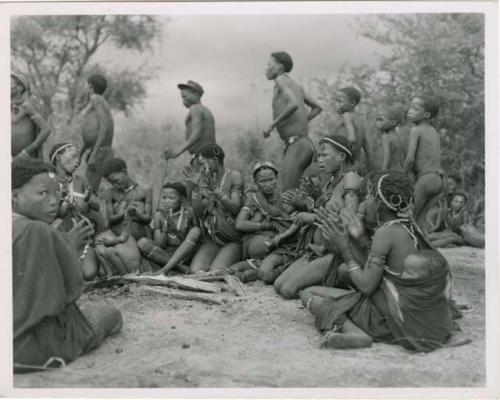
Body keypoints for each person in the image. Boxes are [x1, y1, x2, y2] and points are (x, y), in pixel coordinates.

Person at [301, 172, 462, 352]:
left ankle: (355, 333)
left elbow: (367, 286)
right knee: (343, 274)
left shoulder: (385, 233)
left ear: (380, 203)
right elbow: (385, 269)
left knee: (308, 294)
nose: (365, 200)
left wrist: (343, 248)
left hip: (389, 319)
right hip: (405, 309)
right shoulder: (407, 225)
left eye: (369, 196)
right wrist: (360, 236)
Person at [12, 157, 122, 372]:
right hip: (29, 345)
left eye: (57, 193)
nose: (53, 201)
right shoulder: (36, 230)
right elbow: (69, 291)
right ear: (14, 196)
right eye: (43, 193)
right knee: (110, 313)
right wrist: (70, 247)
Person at [274, 135, 362, 299]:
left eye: (324, 155)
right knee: (279, 286)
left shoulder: (351, 179)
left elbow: (351, 218)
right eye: (318, 156)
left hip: (336, 253)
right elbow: (326, 212)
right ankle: (322, 280)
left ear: (342, 156)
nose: (319, 160)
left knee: (287, 290)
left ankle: (337, 284)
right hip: (316, 250)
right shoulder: (330, 183)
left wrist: (312, 218)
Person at [229, 162, 304, 283]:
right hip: (259, 253)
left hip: (284, 248)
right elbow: (240, 224)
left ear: (277, 179)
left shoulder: (287, 198)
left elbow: (297, 223)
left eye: (271, 180)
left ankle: (282, 268)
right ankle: (258, 266)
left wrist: (302, 205)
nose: (268, 184)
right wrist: (266, 225)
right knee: (230, 270)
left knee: (266, 274)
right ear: (255, 182)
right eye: (263, 181)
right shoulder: (253, 199)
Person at [263, 51, 323, 191]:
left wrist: (271, 125)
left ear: (280, 67)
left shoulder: (280, 80)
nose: (266, 68)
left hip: (296, 145)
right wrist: (301, 121)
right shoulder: (296, 86)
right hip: (305, 144)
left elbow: (293, 103)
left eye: (269, 64)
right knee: (296, 193)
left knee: (287, 195)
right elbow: (317, 108)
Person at [49, 143, 105, 280]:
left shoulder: (81, 180)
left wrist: (87, 200)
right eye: (73, 156)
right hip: (58, 237)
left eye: (79, 159)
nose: (78, 161)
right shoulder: (47, 181)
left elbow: (97, 207)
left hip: (83, 238)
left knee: (89, 273)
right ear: (58, 157)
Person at [187, 144, 244, 272]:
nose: (201, 169)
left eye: (203, 163)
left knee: (215, 273)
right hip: (213, 240)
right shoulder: (205, 180)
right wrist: (195, 190)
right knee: (196, 271)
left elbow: (235, 208)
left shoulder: (234, 176)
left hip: (232, 240)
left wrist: (214, 189)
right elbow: (197, 214)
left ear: (215, 160)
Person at [95, 158, 152, 275]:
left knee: (115, 251)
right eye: (111, 183)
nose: (115, 185)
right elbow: (111, 218)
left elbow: (148, 218)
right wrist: (124, 212)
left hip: (133, 234)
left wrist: (137, 214)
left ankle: (125, 274)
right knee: (98, 243)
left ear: (125, 172)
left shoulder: (144, 191)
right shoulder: (110, 192)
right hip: (116, 232)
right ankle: (114, 273)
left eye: (116, 180)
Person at [137, 181, 201, 274]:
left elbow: (194, 238)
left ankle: (167, 269)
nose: (166, 201)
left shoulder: (189, 213)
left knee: (196, 231)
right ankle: (180, 268)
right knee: (142, 243)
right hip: (165, 255)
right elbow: (160, 244)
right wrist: (165, 229)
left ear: (182, 199)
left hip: (185, 254)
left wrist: (175, 230)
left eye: (171, 198)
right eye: (164, 198)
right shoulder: (159, 215)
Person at [404, 95, 444, 234]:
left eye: (415, 109)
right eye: (410, 107)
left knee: (407, 217)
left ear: (426, 114)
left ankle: (405, 251)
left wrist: (403, 176)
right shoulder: (434, 132)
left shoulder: (416, 130)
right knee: (420, 222)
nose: (410, 111)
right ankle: (425, 252)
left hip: (425, 179)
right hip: (439, 179)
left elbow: (410, 159)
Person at [164, 80, 216, 164]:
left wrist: (177, 152)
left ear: (196, 94)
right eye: (182, 98)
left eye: (185, 96)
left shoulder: (195, 108)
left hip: (203, 157)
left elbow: (197, 133)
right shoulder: (206, 110)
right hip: (212, 155)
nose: (184, 100)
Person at [78, 74, 115, 193]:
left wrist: (94, 154)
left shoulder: (95, 99)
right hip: (98, 149)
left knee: (88, 192)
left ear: (89, 86)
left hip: (100, 151)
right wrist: (82, 151)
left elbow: (105, 125)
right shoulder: (98, 101)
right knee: (89, 189)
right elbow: (95, 129)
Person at [11, 74, 51, 160]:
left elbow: (46, 129)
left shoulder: (26, 105)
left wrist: (26, 152)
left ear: (19, 88)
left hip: (27, 159)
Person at [333, 87, 371, 173]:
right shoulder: (360, 122)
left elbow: (352, 138)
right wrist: (370, 171)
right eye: (335, 101)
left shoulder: (346, 115)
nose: (336, 104)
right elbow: (368, 149)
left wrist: (332, 149)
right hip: (356, 165)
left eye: (339, 101)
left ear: (352, 103)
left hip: (344, 165)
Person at [376, 104, 406, 171]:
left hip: (391, 171)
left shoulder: (386, 137)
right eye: (377, 120)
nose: (377, 123)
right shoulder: (398, 137)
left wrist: (382, 173)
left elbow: (387, 157)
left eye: (381, 120)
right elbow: (402, 158)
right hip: (400, 171)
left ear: (393, 122)